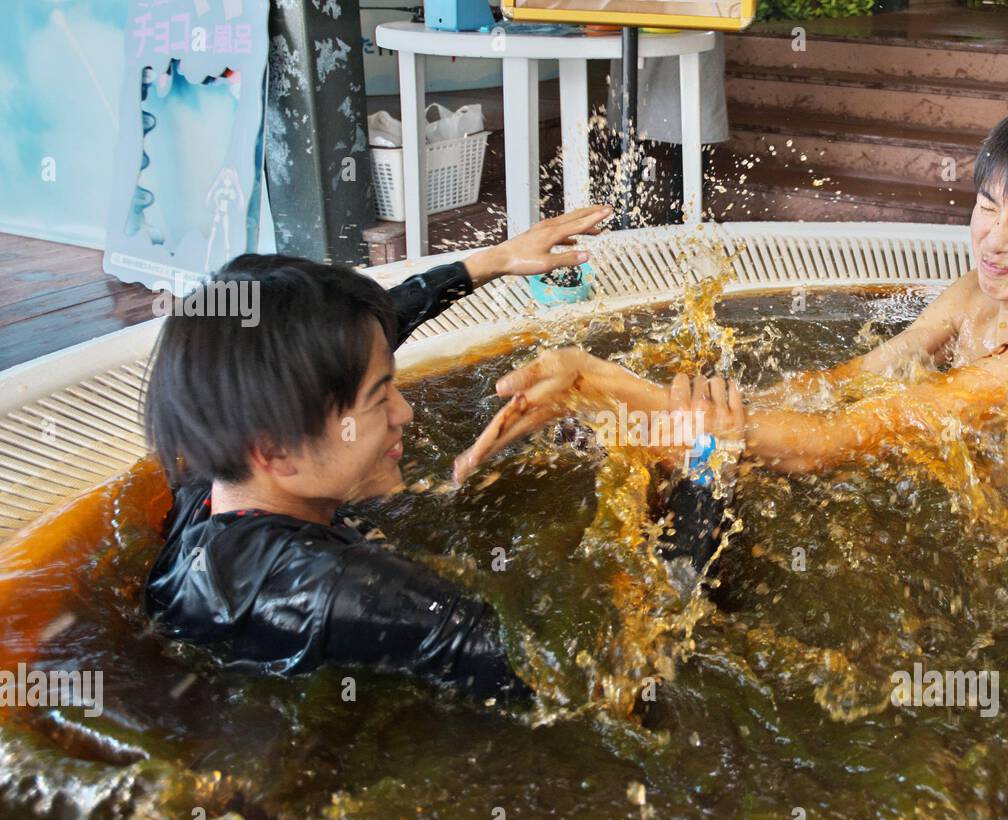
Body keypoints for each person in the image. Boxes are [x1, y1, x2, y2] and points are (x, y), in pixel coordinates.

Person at [142, 206, 736, 702]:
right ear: (275, 450)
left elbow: (360, 336)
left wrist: (493, 261)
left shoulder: (212, 466)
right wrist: (705, 472)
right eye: (380, 398)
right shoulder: (333, 589)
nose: (405, 412)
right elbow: (594, 676)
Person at [452, 97, 1008, 482]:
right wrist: (695, 413)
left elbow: (836, 440)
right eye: (987, 206)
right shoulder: (976, 294)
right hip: (966, 495)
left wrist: (617, 389)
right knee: (695, 468)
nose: (994, 237)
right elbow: (853, 383)